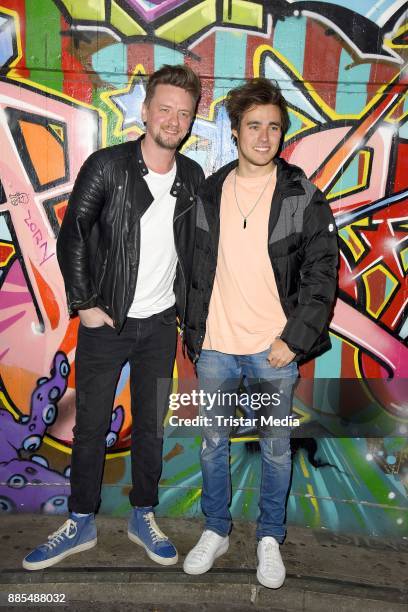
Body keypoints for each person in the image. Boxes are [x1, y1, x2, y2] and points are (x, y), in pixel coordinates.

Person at [23, 64, 204, 570]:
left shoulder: (191, 176)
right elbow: (74, 233)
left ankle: (142, 514)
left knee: (151, 426)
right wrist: (85, 304)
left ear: (190, 122)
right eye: (164, 109)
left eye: (183, 113)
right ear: (145, 112)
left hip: (160, 325)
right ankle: (80, 521)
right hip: (108, 323)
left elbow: (195, 252)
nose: (172, 119)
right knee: (89, 426)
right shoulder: (107, 166)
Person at [183, 78, 338, 588]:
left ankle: (270, 536)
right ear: (235, 131)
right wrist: (195, 330)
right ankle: (216, 529)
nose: (264, 136)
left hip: (273, 351)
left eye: (273, 127)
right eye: (254, 126)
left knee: (275, 448)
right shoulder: (209, 192)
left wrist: (293, 340)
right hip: (216, 349)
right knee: (212, 445)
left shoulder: (301, 195)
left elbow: (321, 275)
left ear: (282, 134)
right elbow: (191, 268)